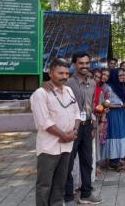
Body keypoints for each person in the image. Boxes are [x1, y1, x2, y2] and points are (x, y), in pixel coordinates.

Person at [31, 59, 80, 206]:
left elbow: (77, 113)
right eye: (60, 73)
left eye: (66, 73)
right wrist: (64, 135)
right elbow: (44, 122)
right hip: (49, 147)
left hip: (67, 145)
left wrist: (74, 131)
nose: (64, 76)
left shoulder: (69, 90)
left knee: (60, 182)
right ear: (50, 73)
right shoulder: (40, 94)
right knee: (44, 185)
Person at [61, 52, 102, 205]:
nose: (84, 66)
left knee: (87, 162)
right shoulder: (68, 83)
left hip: (87, 127)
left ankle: (86, 193)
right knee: (68, 164)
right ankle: (68, 197)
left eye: (87, 63)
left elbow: (91, 105)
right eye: (81, 63)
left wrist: (93, 127)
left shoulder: (92, 83)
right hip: (71, 128)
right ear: (74, 65)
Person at [101, 69, 125, 172]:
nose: (123, 77)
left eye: (124, 75)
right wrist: (119, 106)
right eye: (120, 75)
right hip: (113, 114)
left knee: (121, 135)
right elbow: (104, 103)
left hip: (121, 113)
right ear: (114, 76)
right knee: (114, 135)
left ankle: (118, 158)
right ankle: (114, 161)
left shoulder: (122, 86)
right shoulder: (108, 87)